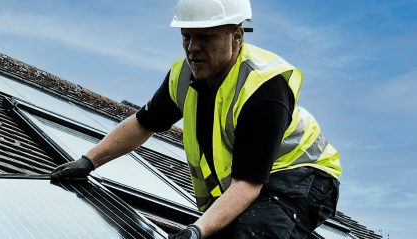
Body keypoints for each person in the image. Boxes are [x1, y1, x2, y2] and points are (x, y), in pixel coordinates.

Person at [49, 0, 342, 238]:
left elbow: (247, 184)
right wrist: (88, 161)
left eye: (205, 37)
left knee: (253, 233)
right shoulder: (184, 76)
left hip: (305, 177)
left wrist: (196, 230)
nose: (192, 48)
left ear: (237, 35)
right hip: (253, 180)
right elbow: (142, 124)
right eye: (186, 37)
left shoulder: (264, 88)